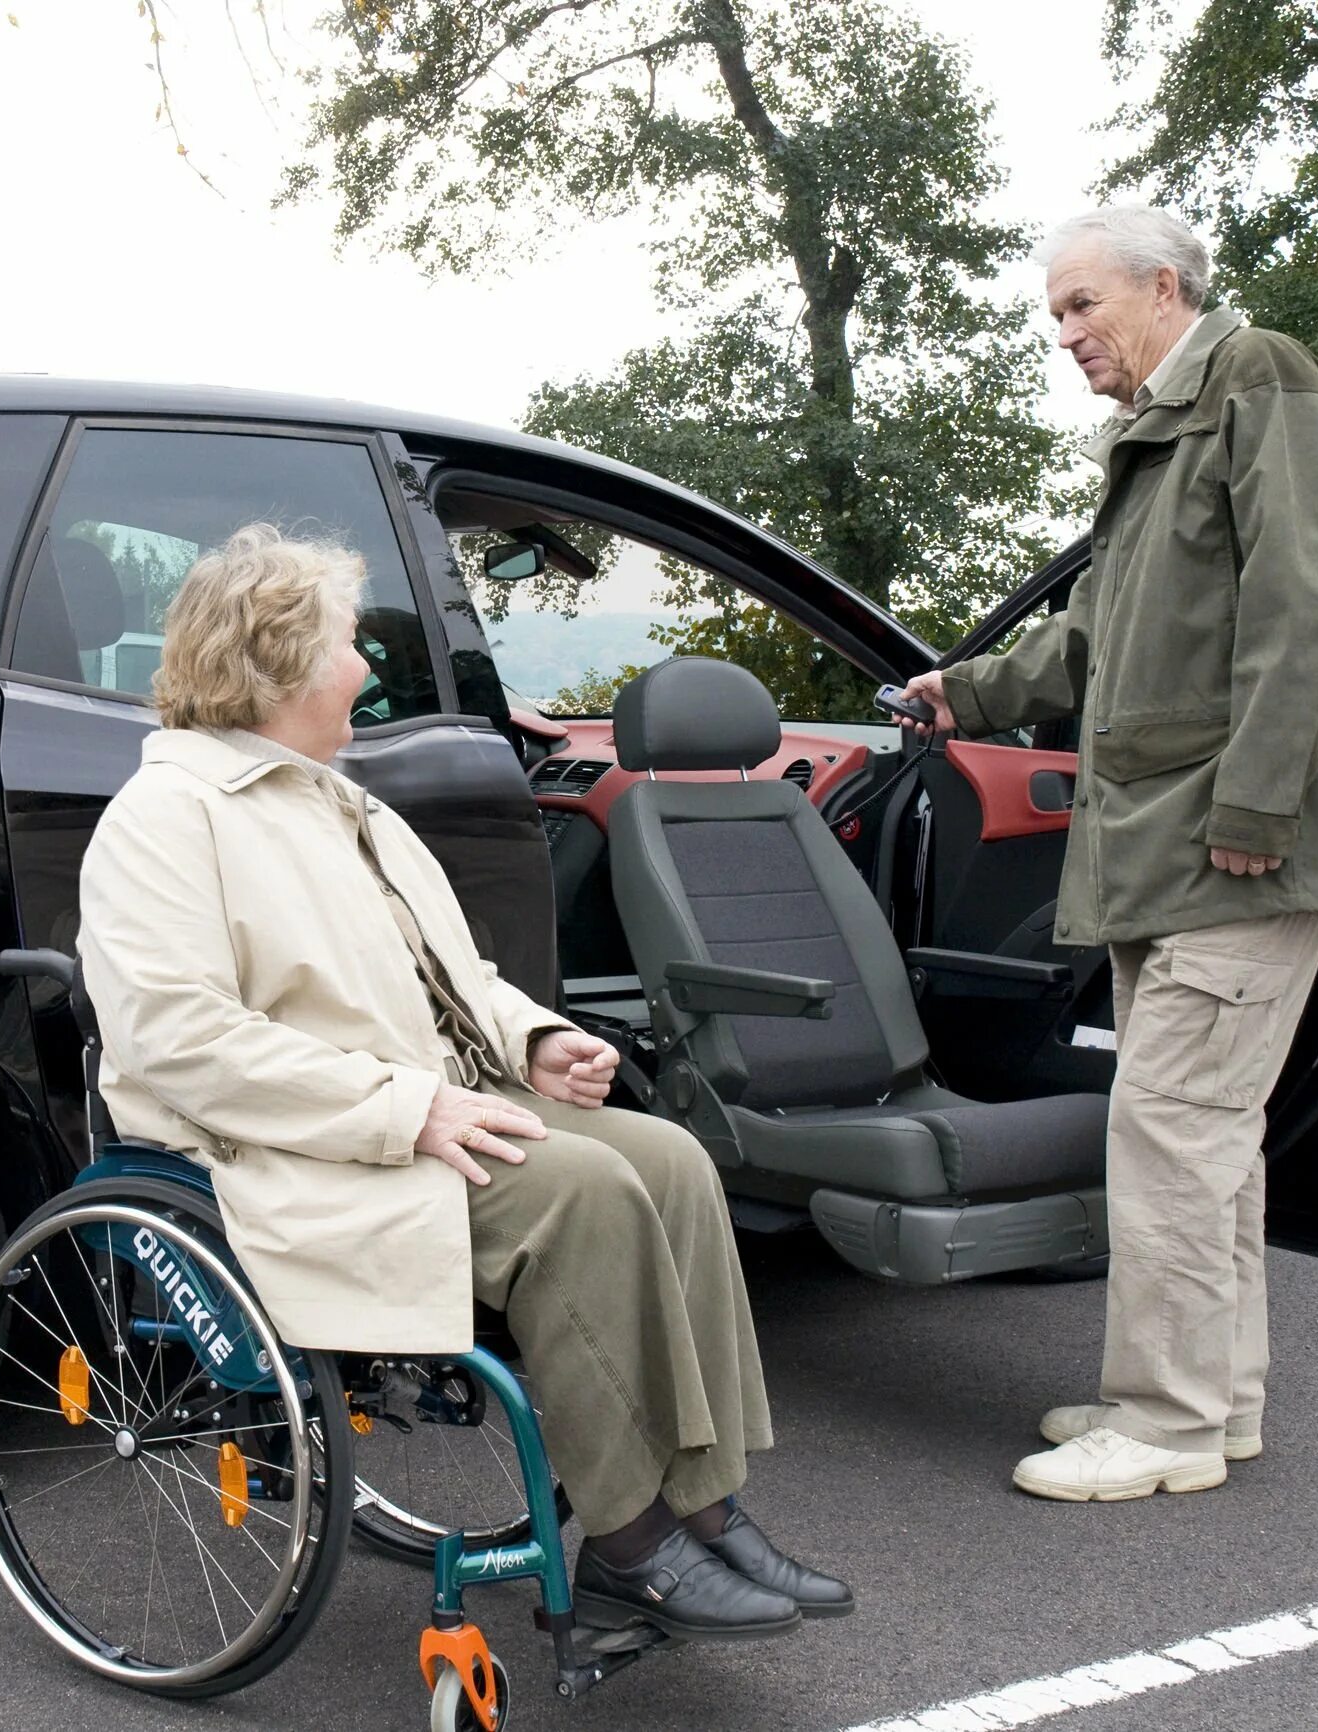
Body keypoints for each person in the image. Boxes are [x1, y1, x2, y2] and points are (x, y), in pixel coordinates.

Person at [77, 523, 851, 1636]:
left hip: (429, 1095)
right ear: (280, 661)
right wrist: (411, 1109)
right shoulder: (167, 817)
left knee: (672, 1160)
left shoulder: (345, 803)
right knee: (579, 1194)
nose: (368, 664)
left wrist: (534, 1041)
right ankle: (632, 1548)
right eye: (348, 641)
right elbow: (178, 1041)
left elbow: (454, 974)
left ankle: (708, 1508)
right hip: (291, 1140)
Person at [902, 205, 1318, 1504]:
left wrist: (1256, 804)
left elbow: (1311, 600)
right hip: (1166, 852)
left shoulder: (1261, 380)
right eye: (1052, 312)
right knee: (1203, 1137)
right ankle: (1211, 1401)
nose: (1061, 333)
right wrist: (964, 692)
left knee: (1171, 1131)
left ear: (1163, 285)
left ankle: (1165, 1419)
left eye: (1080, 305)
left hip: (1237, 849)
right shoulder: (1154, 441)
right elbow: (1091, 642)